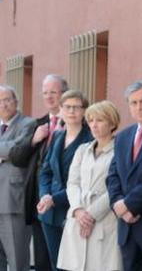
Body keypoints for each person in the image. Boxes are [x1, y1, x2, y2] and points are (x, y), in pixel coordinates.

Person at [8, 74, 67, 271]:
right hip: (37, 201)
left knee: (63, 260)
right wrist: (34, 140)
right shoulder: (37, 124)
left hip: (65, 202)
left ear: (64, 94)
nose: (49, 97)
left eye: (53, 92)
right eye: (45, 93)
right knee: (42, 260)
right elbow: (17, 156)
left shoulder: (78, 122)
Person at [106, 81, 142, 271]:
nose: (138, 107)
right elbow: (113, 175)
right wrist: (117, 204)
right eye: (133, 103)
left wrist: (130, 204)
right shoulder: (123, 136)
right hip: (125, 224)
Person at [57, 101, 122, 271]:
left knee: (101, 266)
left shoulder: (120, 150)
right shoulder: (82, 150)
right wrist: (78, 210)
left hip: (104, 218)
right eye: (91, 120)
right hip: (78, 217)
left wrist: (91, 215)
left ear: (112, 123)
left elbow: (116, 188)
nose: (94, 124)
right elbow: (72, 183)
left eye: (100, 120)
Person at [37, 90, 94, 270]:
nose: (71, 111)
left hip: (74, 210)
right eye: (67, 107)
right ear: (60, 110)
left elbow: (84, 181)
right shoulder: (57, 136)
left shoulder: (90, 140)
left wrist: (53, 199)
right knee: (56, 264)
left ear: (84, 111)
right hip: (49, 212)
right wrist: (45, 195)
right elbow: (45, 171)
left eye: (76, 107)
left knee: (74, 265)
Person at [0, 84, 37, 271]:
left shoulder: (28, 124)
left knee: (17, 261)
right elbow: (10, 148)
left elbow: (17, 150)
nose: (3, 104)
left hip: (13, 200)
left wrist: (7, 150)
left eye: (7, 99)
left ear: (16, 101)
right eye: (0, 101)